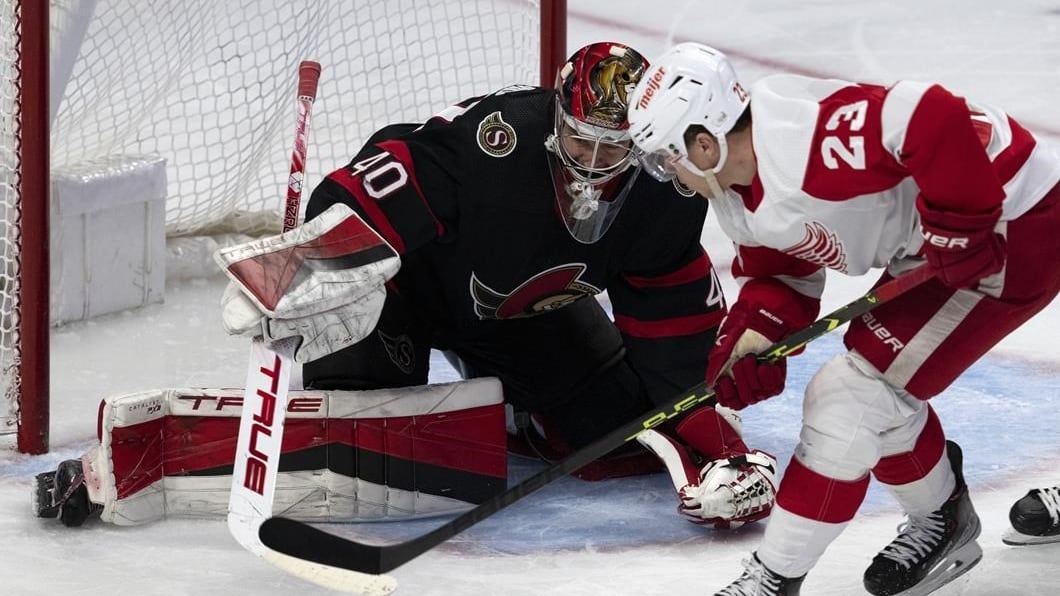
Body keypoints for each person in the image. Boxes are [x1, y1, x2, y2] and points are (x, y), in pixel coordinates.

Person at [35, 42, 778, 531]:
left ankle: (514, 417)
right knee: (355, 443)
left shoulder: (666, 192)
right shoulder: (500, 142)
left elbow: (677, 350)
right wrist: (303, 268)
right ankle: (131, 463)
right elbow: (377, 179)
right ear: (556, 117)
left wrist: (725, 454)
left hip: (523, 316)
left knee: (611, 440)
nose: (591, 162)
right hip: (406, 294)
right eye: (579, 139)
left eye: (613, 149)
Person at [626, 41, 1060, 596]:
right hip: (935, 241)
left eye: (667, 157)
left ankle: (774, 579)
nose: (668, 173)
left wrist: (962, 223)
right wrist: (754, 337)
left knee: (852, 398)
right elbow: (782, 273)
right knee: (872, 387)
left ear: (704, 143)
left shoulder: (807, 142)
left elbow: (932, 114)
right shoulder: (736, 191)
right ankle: (941, 517)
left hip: (1013, 220)